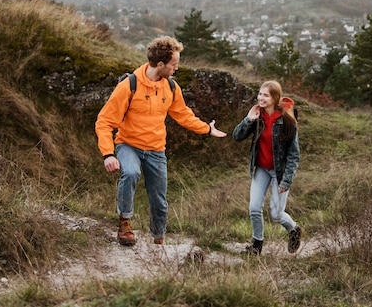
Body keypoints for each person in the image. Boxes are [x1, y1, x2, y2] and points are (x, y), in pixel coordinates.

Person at [95, 36, 227, 246]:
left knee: (159, 199)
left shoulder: (171, 88)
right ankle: (125, 223)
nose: (176, 68)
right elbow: (104, 121)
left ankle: (158, 239)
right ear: (160, 65)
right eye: (174, 64)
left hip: (156, 150)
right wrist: (108, 153)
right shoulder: (129, 85)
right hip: (128, 144)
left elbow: (183, 114)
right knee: (130, 172)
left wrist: (206, 129)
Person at [232, 80, 301, 255]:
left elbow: (294, 155)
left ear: (275, 98)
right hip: (261, 169)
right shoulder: (257, 116)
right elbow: (237, 136)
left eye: (265, 95)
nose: (260, 98)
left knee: (276, 215)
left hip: (280, 172)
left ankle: (294, 230)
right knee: (254, 208)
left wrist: (286, 180)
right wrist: (249, 119)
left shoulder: (287, 120)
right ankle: (257, 246)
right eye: (260, 94)